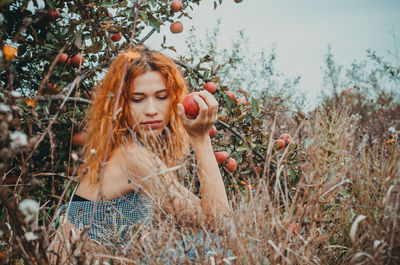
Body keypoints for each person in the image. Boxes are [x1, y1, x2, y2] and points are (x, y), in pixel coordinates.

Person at [50, 45, 231, 263]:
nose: (151, 109)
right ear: (119, 104)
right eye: (137, 99)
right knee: (217, 249)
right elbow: (219, 223)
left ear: (174, 100)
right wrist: (201, 139)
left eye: (162, 96)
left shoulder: (128, 149)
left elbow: (208, 216)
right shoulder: (131, 157)